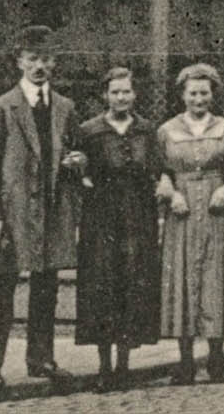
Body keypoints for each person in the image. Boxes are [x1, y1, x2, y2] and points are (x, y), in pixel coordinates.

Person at [0, 24, 84, 400]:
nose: (40, 66)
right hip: (12, 214)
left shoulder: (65, 107)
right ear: (19, 61)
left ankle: (41, 359)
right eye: (32, 58)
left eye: (46, 59)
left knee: (46, 291)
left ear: (55, 63)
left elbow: (71, 153)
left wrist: (75, 162)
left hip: (52, 212)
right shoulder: (1, 107)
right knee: (2, 289)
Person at [157, 62, 224, 385]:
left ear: (213, 95)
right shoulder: (167, 131)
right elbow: (159, 173)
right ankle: (185, 363)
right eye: (193, 93)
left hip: (216, 214)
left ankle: (216, 360)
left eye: (205, 93)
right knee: (182, 279)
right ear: (182, 95)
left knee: (216, 279)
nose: (199, 99)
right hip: (182, 215)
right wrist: (171, 194)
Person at [73, 66, 162, 393]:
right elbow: (78, 172)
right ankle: (104, 367)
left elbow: (156, 170)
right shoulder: (89, 130)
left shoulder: (147, 130)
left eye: (126, 91)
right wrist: (79, 170)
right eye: (115, 92)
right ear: (104, 95)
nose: (121, 97)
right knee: (103, 286)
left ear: (134, 94)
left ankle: (125, 365)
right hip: (102, 218)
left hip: (138, 218)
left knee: (131, 284)